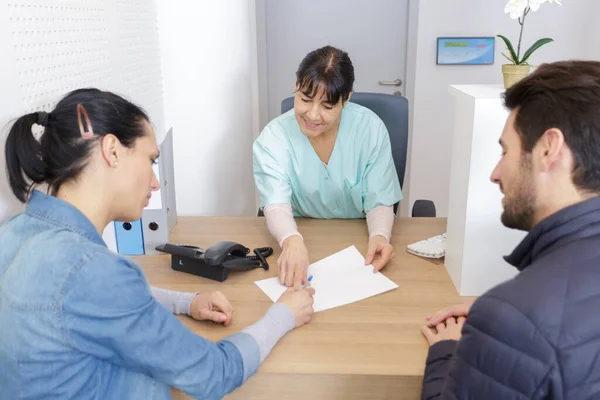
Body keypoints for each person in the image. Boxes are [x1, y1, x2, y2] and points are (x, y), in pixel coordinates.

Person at [0, 88, 315, 399]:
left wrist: (185, 302)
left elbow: (94, 300)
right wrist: (284, 314)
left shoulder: (15, 233)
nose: (155, 181)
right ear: (112, 151)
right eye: (150, 160)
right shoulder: (91, 270)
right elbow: (215, 372)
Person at [420, 60, 600, 399]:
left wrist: (448, 351)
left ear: (549, 149)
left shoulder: (512, 318)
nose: (495, 173)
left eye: (505, 151)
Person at [253, 45, 402, 289]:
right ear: (296, 85)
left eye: (328, 107)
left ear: (347, 99)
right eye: (305, 99)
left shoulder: (370, 129)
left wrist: (380, 236)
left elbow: (379, 198)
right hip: (301, 236)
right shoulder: (273, 138)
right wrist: (291, 241)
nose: (312, 115)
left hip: (358, 246)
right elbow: (276, 203)